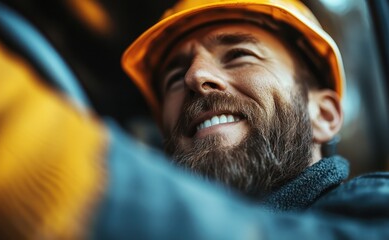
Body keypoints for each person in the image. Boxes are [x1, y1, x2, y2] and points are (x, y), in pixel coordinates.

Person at [121, 0, 389, 216]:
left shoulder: (376, 203)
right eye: (174, 79)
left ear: (324, 116)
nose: (195, 76)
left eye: (239, 55)